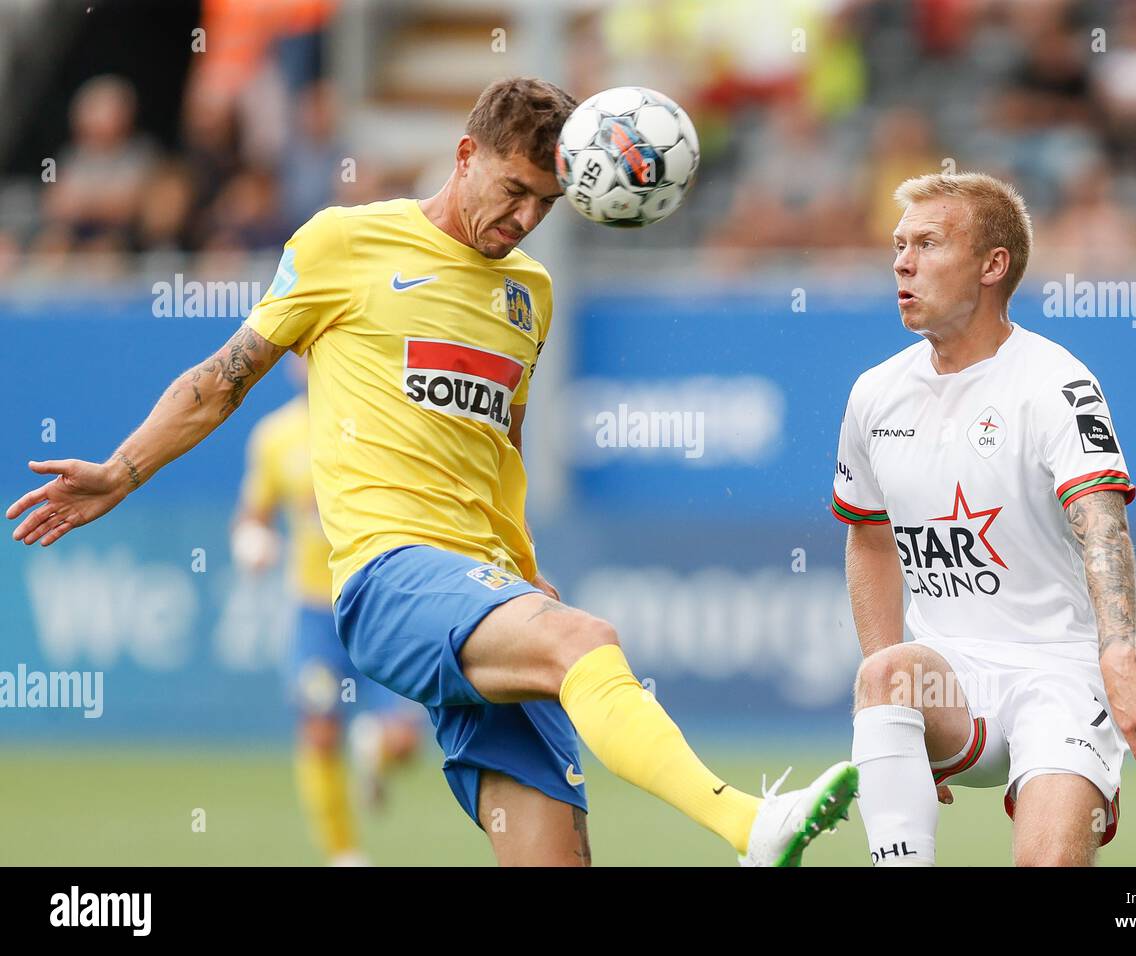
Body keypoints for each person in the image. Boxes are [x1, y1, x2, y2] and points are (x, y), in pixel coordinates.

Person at [8, 76, 855, 867]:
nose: (525, 218)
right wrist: (122, 472)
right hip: (389, 578)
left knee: (558, 855)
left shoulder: (532, 294)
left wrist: (523, 574)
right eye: (514, 190)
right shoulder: (346, 242)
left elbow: (502, 455)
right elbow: (221, 381)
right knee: (588, 642)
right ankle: (752, 823)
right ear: (464, 156)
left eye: (547, 204)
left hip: (484, 588)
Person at [833, 172, 1136, 867]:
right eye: (899, 245)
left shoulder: (1055, 383)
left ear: (993, 266)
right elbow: (868, 536)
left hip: (1059, 674)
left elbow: (1101, 522)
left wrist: (1119, 657)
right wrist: (893, 726)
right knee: (884, 676)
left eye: (928, 243)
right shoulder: (876, 393)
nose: (902, 261)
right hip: (954, 677)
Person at [233, 357, 422, 865]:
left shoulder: (381, 422)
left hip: (379, 606)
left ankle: (375, 754)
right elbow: (253, 516)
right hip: (316, 614)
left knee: (405, 741)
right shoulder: (275, 438)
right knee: (318, 731)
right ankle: (345, 855)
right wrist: (253, 541)